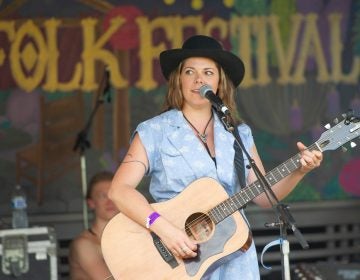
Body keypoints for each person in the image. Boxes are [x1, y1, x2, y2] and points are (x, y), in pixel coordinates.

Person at [108, 35, 323, 279]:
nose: (199, 79)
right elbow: (119, 190)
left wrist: (299, 170)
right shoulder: (154, 131)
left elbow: (264, 196)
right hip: (176, 256)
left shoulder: (238, 133)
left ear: (219, 83)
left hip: (234, 255)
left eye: (208, 72)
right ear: (178, 80)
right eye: (190, 71)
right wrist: (165, 229)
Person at [69, 171, 119, 280]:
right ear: (91, 203)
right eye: (103, 196)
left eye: (113, 195)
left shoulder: (126, 238)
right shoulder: (83, 244)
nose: (110, 201)